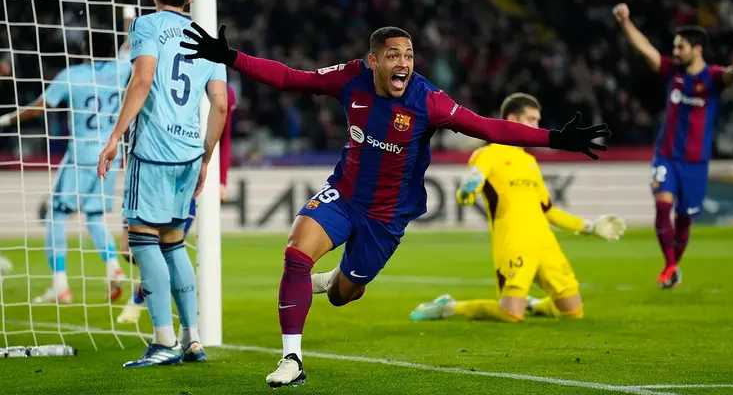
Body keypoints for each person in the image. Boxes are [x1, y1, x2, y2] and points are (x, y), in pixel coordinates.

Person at [181, 23, 611, 387]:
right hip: (343, 195)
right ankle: (292, 360)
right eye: (393, 55)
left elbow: (487, 126)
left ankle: (336, 279)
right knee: (295, 255)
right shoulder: (350, 78)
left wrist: (554, 139)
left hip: (386, 219)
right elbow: (292, 78)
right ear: (373, 61)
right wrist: (231, 57)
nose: (403, 63)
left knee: (342, 296)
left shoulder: (428, 100)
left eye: (408, 55)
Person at [97, 0, 229, 367]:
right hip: (190, 150)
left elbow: (143, 79)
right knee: (173, 242)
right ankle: (192, 339)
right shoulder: (208, 39)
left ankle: (163, 341)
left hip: (153, 149)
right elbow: (221, 104)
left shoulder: (146, 26)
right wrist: (206, 157)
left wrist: (116, 136)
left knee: (141, 238)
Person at [409, 93, 626, 323]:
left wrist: (591, 227)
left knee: (573, 312)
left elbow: (549, 211)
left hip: (545, 245)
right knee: (511, 314)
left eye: (537, 120)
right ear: (512, 119)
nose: (536, 126)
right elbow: (469, 190)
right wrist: (466, 192)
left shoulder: (530, 162)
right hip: (513, 245)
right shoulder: (487, 154)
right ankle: (449, 307)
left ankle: (534, 305)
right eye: (531, 119)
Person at [612, 3, 733, 288]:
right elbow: (646, 49)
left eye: (680, 48)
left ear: (697, 49)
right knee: (662, 207)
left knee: (684, 218)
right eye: (675, 48)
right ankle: (669, 266)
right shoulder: (671, 73)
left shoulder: (711, 78)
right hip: (666, 156)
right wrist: (625, 22)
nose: (675, 53)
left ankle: (673, 266)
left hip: (695, 162)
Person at [0, 35, 130, 304]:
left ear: (83, 50)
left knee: (55, 214)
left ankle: (60, 286)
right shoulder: (124, 69)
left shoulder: (72, 75)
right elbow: (128, 50)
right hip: (111, 153)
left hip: (81, 154)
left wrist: (6, 119)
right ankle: (113, 267)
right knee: (94, 215)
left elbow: (39, 109)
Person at [117, 83, 236, 325]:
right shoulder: (167, 79)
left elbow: (225, 136)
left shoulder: (223, 90)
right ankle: (185, 330)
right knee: (148, 250)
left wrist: (221, 178)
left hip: (190, 174)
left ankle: (141, 305)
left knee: (166, 247)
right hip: (168, 166)